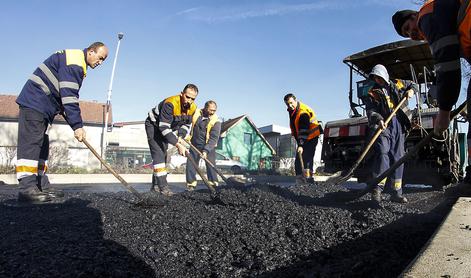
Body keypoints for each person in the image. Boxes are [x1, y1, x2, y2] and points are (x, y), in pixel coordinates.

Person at [15, 42, 109, 203]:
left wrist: (68, 114)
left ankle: (41, 185)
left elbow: (63, 96)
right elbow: (69, 97)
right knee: (31, 145)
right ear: (91, 51)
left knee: (42, 145)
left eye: (103, 61)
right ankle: (27, 189)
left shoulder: (77, 62)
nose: (100, 63)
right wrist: (77, 126)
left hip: (43, 106)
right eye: (100, 58)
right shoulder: (75, 63)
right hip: (35, 102)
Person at [392, 2, 471, 184]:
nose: (410, 34)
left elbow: (448, 67)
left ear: (413, 16)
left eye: (407, 27)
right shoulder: (440, 15)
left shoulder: (427, 18)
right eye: (405, 34)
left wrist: (443, 112)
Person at [364, 64, 416, 203]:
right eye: (375, 78)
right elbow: (370, 111)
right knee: (382, 153)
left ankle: (396, 192)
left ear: (385, 76)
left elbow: (413, 84)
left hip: (398, 123)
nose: (377, 80)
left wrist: (411, 91)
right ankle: (377, 190)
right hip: (383, 125)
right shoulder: (371, 92)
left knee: (398, 157)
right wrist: (379, 119)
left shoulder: (398, 84)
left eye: (379, 77)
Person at [145, 84, 199, 196]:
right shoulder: (170, 103)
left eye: (192, 99)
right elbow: (163, 127)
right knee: (159, 155)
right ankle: (163, 188)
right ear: (182, 94)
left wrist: (181, 136)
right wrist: (178, 145)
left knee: (163, 156)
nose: (189, 101)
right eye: (187, 97)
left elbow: (186, 125)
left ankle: (155, 187)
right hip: (154, 126)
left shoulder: (193, 108)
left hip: (167, 128)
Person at [284, 93, 321, 184]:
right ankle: (300, 181)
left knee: (307, 158)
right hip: (303, 138)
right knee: (298, 160)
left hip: (311, 137)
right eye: (287, 104)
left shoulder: (302, 112)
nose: (290, 105)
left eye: (291, 103)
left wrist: (300, 144)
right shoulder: (292, 110)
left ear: (295, 100)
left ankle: (308, 180)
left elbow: (303, 130)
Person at [185, 100, 222, 191]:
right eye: (210, 110)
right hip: (194, 144)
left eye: (214, 110)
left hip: (208, 145)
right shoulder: (196, 113)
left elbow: (213, 138)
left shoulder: (216, 121)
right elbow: (187, 122)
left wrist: (206, 150)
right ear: (205, 108)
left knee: (210, 165)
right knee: (191, 164)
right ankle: (191, 184)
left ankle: (213, 184)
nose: (212, 112)